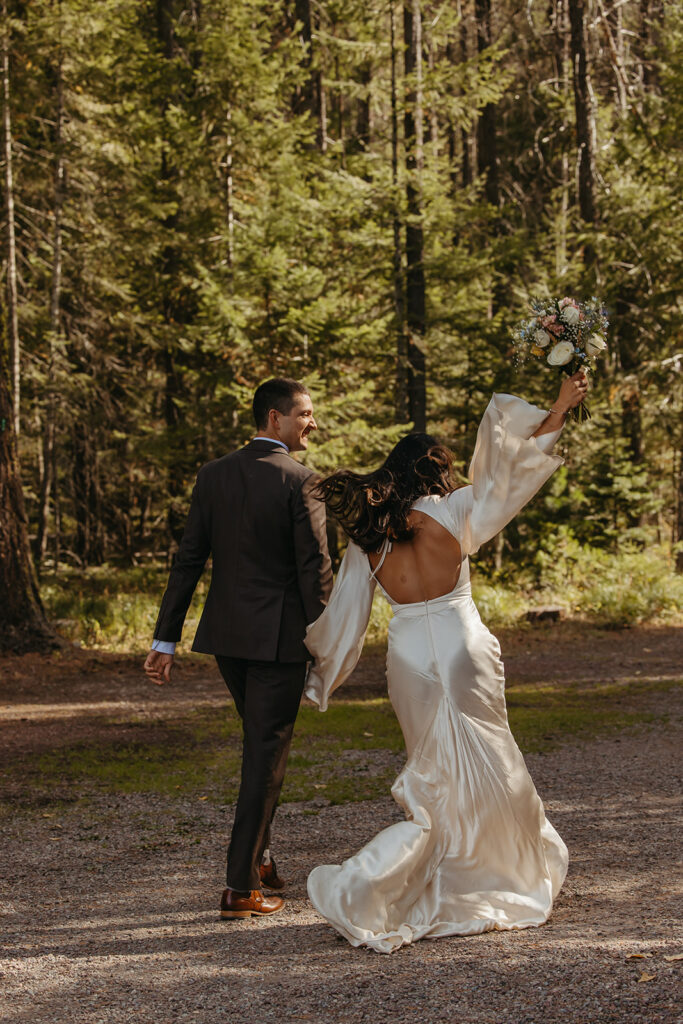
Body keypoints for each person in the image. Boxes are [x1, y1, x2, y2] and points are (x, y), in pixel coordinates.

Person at [304, 372, 588, 953]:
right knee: (494, 756)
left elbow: (345, 617)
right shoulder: (455, 509)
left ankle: (382, 880)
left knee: (432, 773)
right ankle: (500, 873)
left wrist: (317, 674)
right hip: (463, 644)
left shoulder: (369, 536)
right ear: (434, 469)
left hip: (409, 655)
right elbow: (514, 474)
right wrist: (559, 408)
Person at [144, 378, 333, 919]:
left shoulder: (213, 475)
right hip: (277, 643)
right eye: (305, 414)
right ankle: (240, 887)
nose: (312, 423)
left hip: (227, 638)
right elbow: (314, 571)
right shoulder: (304, 482)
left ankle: (262, 857)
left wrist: (166, 638)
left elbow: (188, 561)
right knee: (264, 759)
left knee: (261, 751)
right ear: (275, 419)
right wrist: (325, 640)